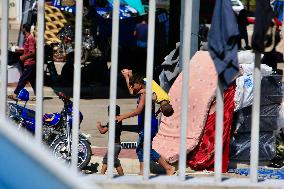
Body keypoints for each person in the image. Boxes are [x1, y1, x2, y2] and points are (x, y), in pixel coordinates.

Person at [116, 73, 175, 175]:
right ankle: (143, 171)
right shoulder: (144, 91)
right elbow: (131, 91)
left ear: (139, 84)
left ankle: (168, 168)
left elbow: (138, 111)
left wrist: (122, 117)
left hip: (148, 125)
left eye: (132, 85)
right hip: (145, 123)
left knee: (146, 149)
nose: (131, 87)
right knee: (140, 148)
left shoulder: (145, 94)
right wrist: (127, 77)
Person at [8, 23, 36, 101]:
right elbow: (27, 50)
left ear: (24, 28)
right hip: (29, 63)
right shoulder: (27, 38)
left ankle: (15, 94)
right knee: (32, 80)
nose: (21, 29)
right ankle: (38, 95)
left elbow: (32, 52)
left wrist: (23, 57)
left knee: (23, 79)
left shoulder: (30, 38)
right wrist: (19, 50)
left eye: (22, 28)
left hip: (30, 63)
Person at [96, 105, 124, 176]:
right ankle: (101, 175)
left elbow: (102, 131)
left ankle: (122, 177)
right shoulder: (119, 120)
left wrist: (99, 126)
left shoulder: (111, 122)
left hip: (114, 146)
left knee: (115, 162)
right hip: (116, 145)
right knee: (106, 160)